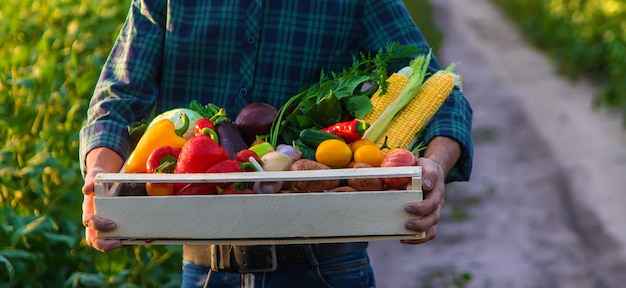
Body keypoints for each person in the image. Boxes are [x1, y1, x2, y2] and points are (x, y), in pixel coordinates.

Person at [79, 0, 473, 287]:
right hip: (205, 269)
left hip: (327, 268)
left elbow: (444, 95)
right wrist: (100, 176)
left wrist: (434, 162)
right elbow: (116, 102)